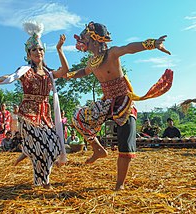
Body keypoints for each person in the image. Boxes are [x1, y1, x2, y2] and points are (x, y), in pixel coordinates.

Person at [68, 21, 172, 190]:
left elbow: (129, 48)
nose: (82, 41)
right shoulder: (92, 62)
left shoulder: (112, 53)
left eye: (85, 37)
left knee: (125, 143)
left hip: (123, 101)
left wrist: (152, 44)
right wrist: (68, 74)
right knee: (78, 117)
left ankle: (119, 184)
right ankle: (98, 150)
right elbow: (84, 72)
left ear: (95, 39)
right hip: (106, 102)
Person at [0, 22, 69, 188]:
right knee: (43, 147)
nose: (38, 52)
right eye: (34, 50)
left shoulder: (49, 73)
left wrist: (60, 49)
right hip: (28, 115)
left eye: (40, 49)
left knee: (55, 146)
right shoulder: (25, 70)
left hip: (45, 116)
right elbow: (7, 78)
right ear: (28, 54)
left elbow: (64, 70)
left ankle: (28, 149)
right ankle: (42, 182)